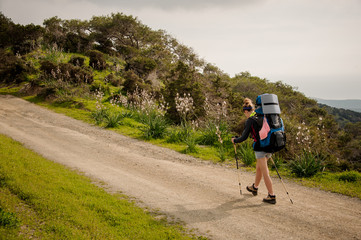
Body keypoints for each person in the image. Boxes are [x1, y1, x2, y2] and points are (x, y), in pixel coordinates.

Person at [231, 98, 276, 204]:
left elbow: (244, 137)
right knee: (259, 168)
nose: (245, 115)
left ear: (246, 111)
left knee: (265, 172)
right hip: (269, 146)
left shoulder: (251, 120)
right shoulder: (263, 116)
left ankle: (272, 195)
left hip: (260, 148)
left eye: (244, 113)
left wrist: (234, 140)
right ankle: (254, 187)